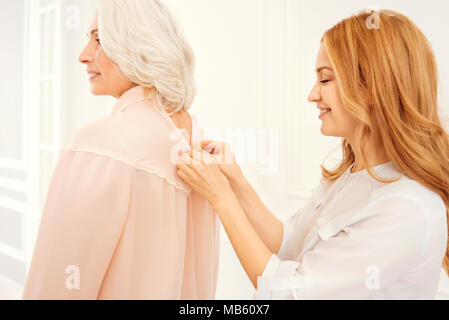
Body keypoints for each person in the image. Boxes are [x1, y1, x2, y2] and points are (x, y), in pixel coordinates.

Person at [177, 9, 449, 299]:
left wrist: (222, 198)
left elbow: (288, 295)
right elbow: (291, 244)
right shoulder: (351, 174)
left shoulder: (406, 209)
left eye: (325, 80)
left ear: (371, 88)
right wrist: (236, 184)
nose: (312, 95)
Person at [23, 0, 219, 300]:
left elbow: (57, 288)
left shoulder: (97, 146)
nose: (83, 55)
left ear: (137, 43)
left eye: (99, 39)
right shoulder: (200, 143)